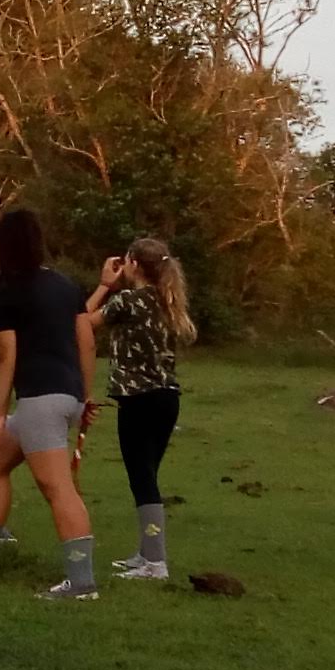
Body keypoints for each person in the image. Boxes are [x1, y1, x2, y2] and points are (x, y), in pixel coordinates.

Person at [0, 207, 98, 598]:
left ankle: (81, 582)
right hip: (64, 395)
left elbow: (6, 359)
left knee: (57, 488)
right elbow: (87, 342)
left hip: (40, 400)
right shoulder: (64, 285)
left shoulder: (6, 293)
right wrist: (84, 397)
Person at [86, 236, 195, 580]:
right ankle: (146, 553)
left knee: (142, 479)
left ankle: (155, 562)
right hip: (167, 399)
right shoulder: (168, 301)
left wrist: (105, 285)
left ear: (132, 264)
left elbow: (83, 322)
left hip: (138, 399)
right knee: (147, 476)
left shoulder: (127, 301)